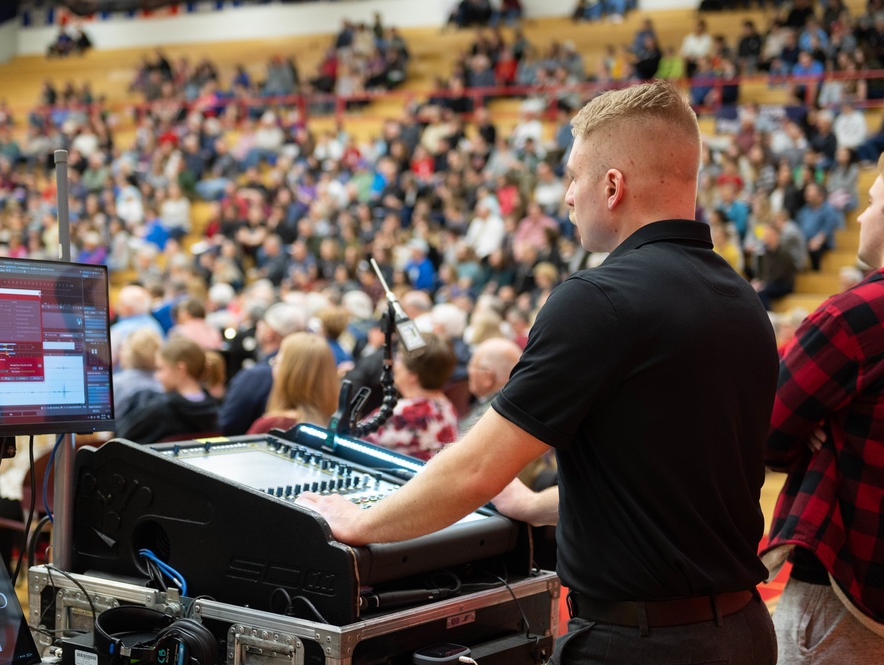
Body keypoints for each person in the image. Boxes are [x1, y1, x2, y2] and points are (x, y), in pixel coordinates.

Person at [298, 80, 778, 665]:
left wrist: (361, 524)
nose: (568, 197)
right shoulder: (742, 300)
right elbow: (674, 479)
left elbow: (476, 468)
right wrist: (535, 507)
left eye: (574, 177)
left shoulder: (597, 300)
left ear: (612, 185)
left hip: (638, 645)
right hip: (745, 632)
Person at [761, 153, 884, 662]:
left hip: (845, 588)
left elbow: (763, 429)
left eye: (872, 201)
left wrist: (822, 428)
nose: (860, 215)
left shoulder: (856, 316)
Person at [362, 332, 459, 461]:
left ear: (412, 375)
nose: (394, 364)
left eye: (399, 358)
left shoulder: (402, 413)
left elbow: (355, 441)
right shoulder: (448, 408)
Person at [219, 302, 307, 435]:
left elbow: (227, 426)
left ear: (269, 334)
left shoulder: (256, 376)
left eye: (262, 324)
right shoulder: (308, 370)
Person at [115, 337, 220, 443]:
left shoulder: (159, 411)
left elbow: (120, 441)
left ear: (180, 369)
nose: (157, 377)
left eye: (160, 369)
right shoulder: (214, 410)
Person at [246, 332, 340, 435]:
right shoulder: (339, 429)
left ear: (288, 374)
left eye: (276, 363)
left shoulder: (270, 427)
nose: (273, 369)